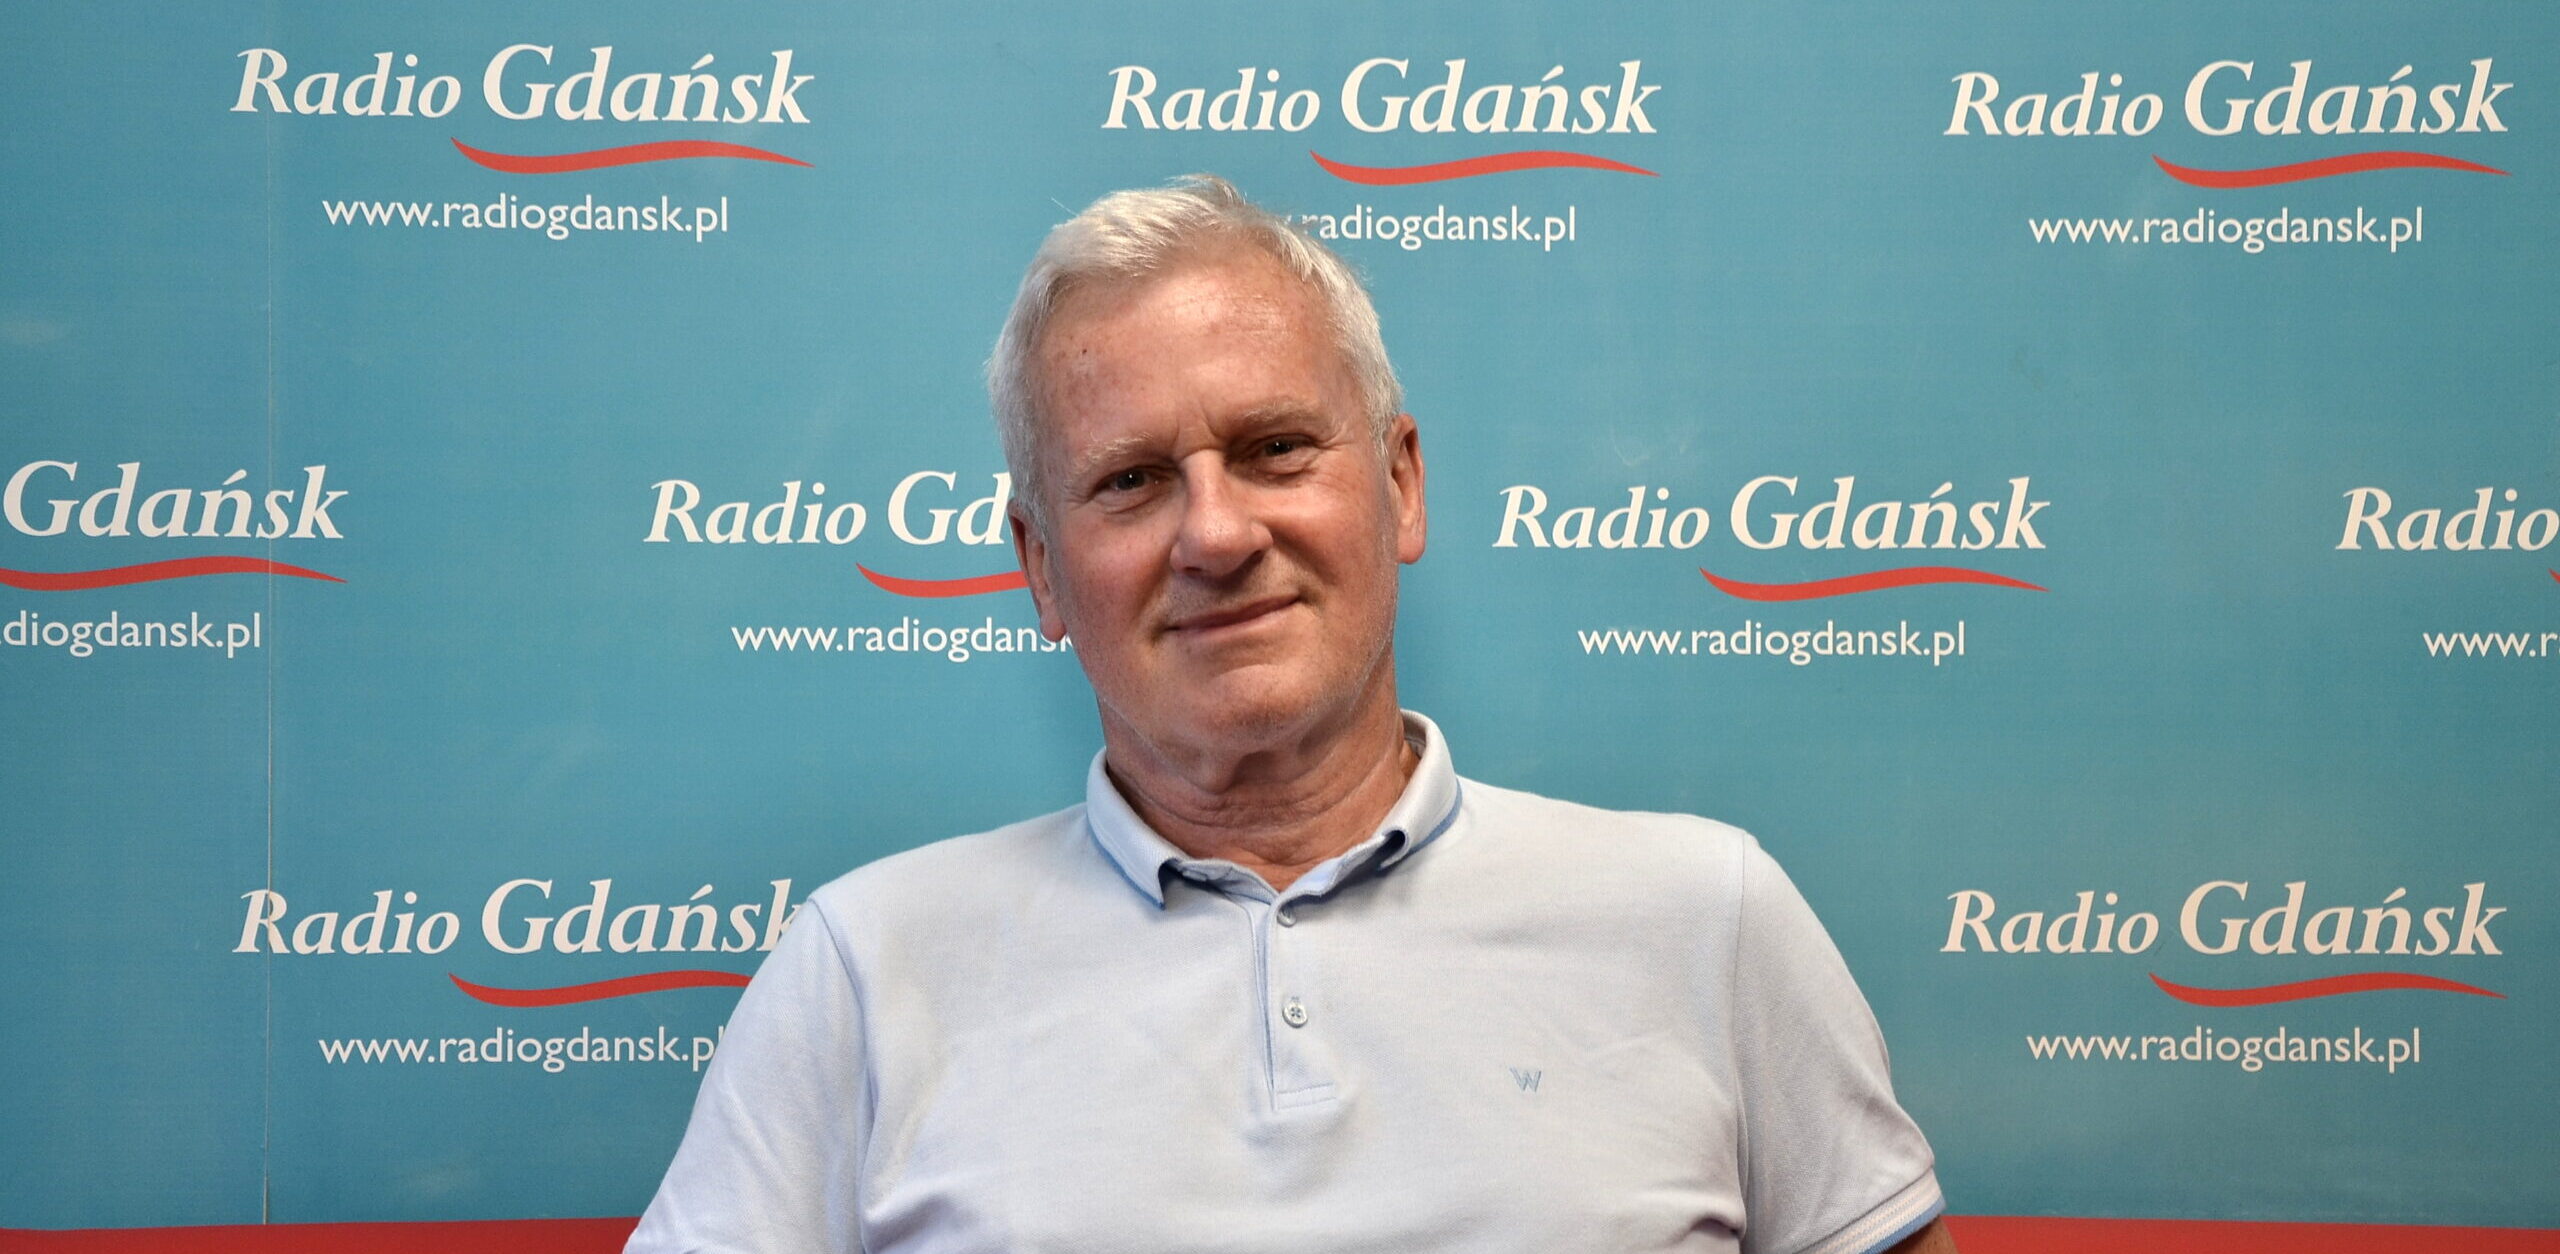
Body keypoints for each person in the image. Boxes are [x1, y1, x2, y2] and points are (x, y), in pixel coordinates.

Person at [629, 175, 1953, 1254]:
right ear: (1039, 568)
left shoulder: (1709, 917)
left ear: (1401, 484)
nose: (1215, 533)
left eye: (1274, 449)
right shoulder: (864, 972)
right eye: (1133, 479)